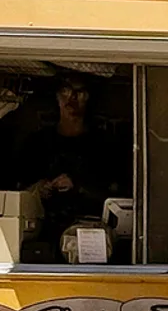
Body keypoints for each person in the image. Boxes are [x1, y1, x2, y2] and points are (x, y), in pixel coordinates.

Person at [17, 75, 117, 255]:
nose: (71, 99)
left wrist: (78, 186)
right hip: (42, 236)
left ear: (88, 97)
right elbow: (17, 190)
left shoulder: (103, 144)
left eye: (79, 93)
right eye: (65, 91)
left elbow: (117, 195)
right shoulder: (37, 143)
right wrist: (38, 189)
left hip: (91, 236)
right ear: (56, 96)